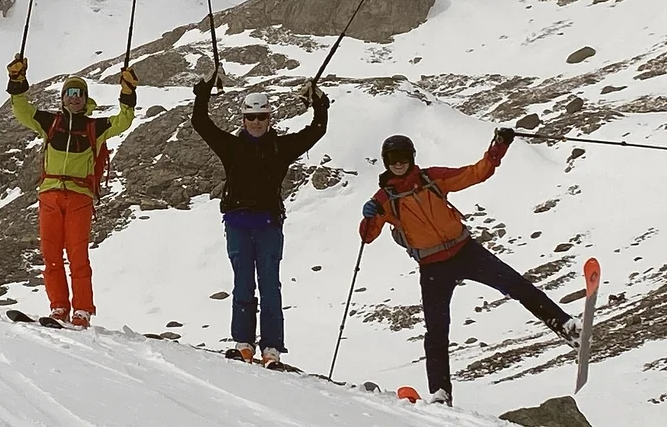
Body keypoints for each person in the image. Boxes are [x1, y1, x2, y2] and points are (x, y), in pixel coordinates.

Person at [357, 129, 582, 406]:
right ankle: (440, 393)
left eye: (403, 156)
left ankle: (566, 326)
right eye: (393, 158)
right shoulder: (384, 200)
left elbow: (477, 173)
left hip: (465, 250)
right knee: (437, 331)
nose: (398, 163)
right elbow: (368, 236)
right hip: (432, 266)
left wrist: (498, 148)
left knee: (518, 286)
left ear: (412, 158)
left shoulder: (431, 178)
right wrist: (369, 215)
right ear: (385, 161)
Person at [190, 73, 329, 367]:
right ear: (243, 119)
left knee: (269, 286)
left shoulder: (281, 147)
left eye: (261, 116)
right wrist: (202, 93)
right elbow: (201, 123)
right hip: (239, 223)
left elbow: (317, 131)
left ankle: (271, 349)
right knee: (243, 284)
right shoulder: (232, 146)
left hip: (267, 224)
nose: (256, 122)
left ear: (269, 118)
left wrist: (320, 104)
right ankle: (244, 344)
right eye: (251, 117)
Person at [7, 54, 137, 328]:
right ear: (63, 97)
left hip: (79, 196)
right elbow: (22, 111)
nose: (74, 97)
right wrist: (17, 82)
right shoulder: (50, 122)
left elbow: (123, 121)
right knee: (51, 254)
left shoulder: (94, 127)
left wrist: (127, 93)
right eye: (70, 93)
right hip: (50, 194)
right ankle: (59, 307)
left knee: (77, 254)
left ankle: (82, 310)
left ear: (84, 98)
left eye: (79, 93)